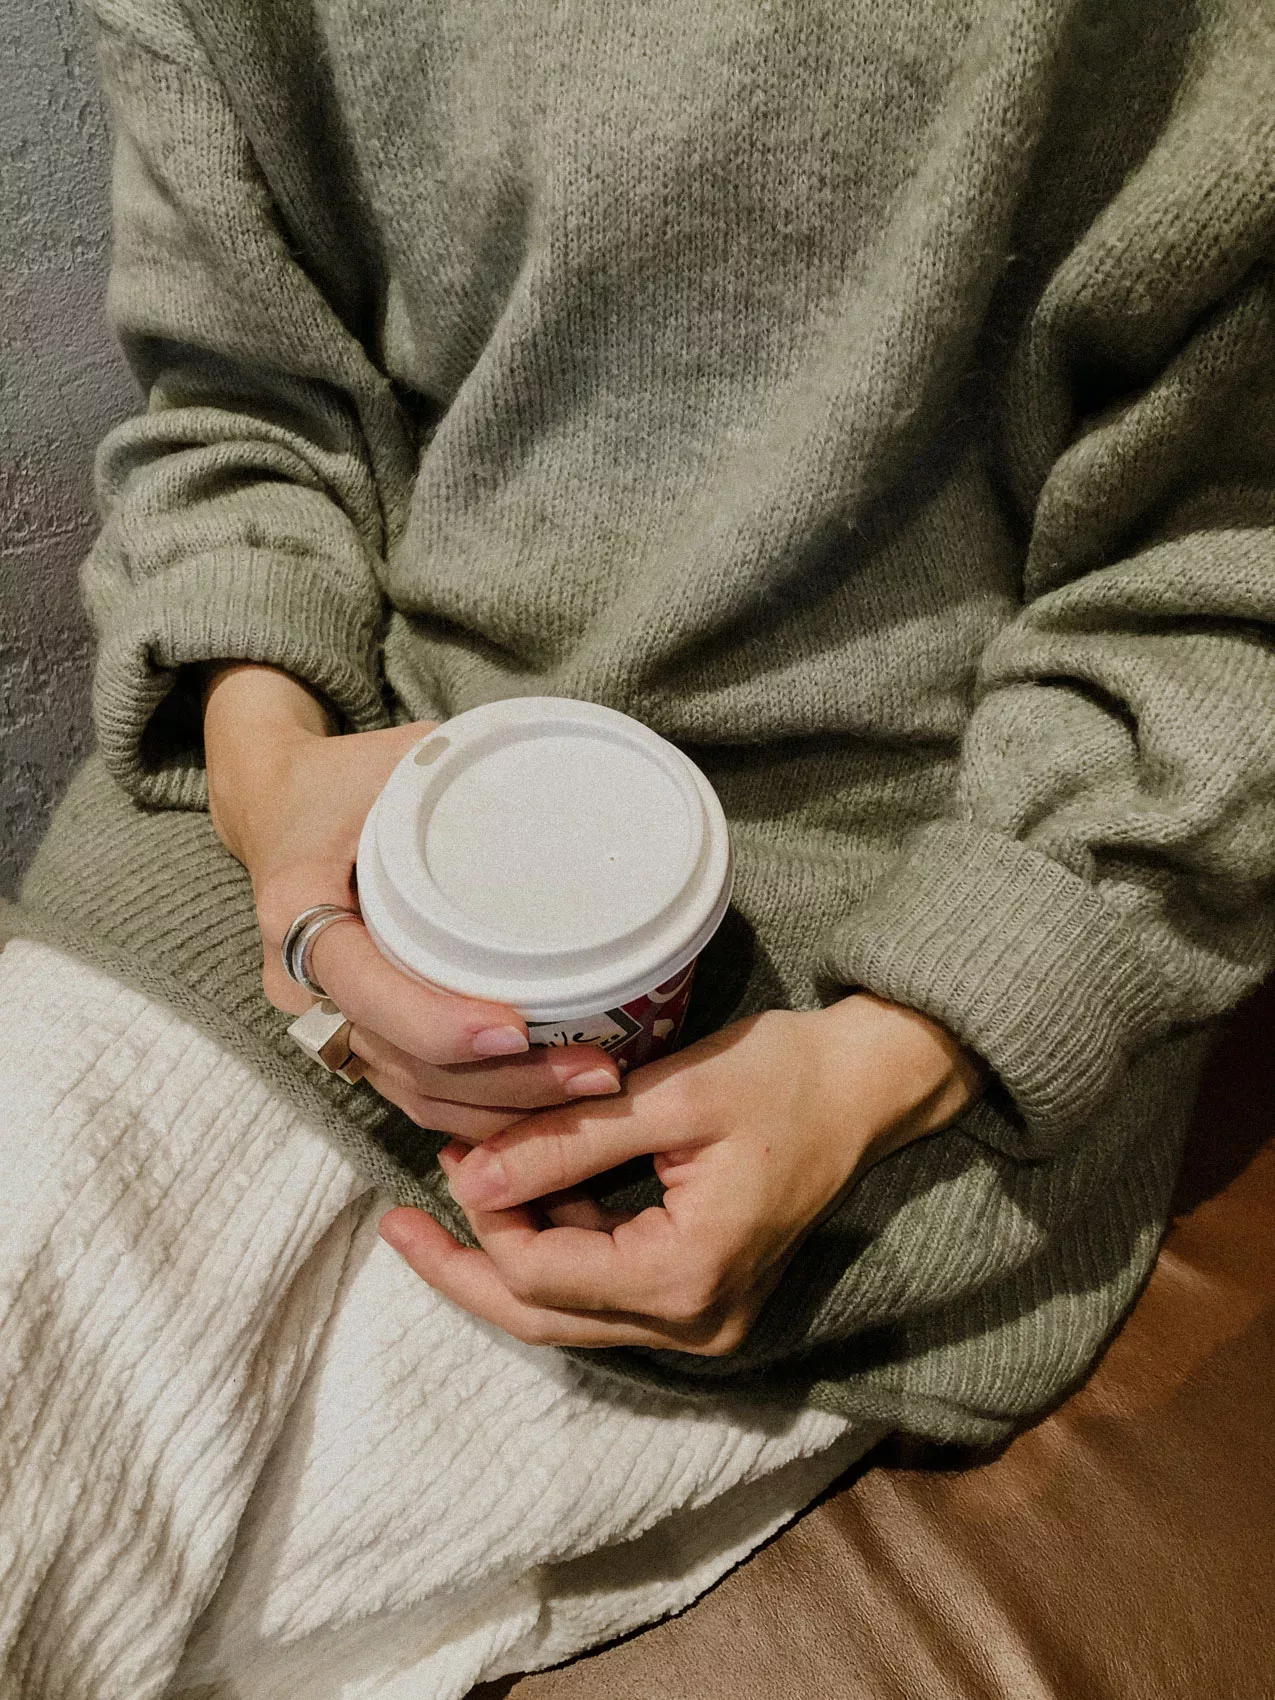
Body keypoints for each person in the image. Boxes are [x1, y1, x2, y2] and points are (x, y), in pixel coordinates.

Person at [5, 0, 1275, 1690]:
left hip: (901, 938)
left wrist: (891, 1065)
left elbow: (1223, 594)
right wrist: (271, 786)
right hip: (321, 794)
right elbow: (238, 410)